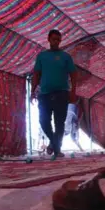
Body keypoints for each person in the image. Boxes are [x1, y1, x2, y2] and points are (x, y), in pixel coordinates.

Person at [30, 29, 78, 158]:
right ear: (49, 39)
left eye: (58, 39)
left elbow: (73, 74)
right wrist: (32, 91)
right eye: (53, 39)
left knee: (59, 123)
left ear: (60, 41)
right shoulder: (42, 56)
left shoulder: (66, 57)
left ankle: (57, 149)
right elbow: (36, 74)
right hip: (44, 94)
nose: (56, 42)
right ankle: (54, 143)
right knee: (43, 121)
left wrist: (73, 91)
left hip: (62, 94)